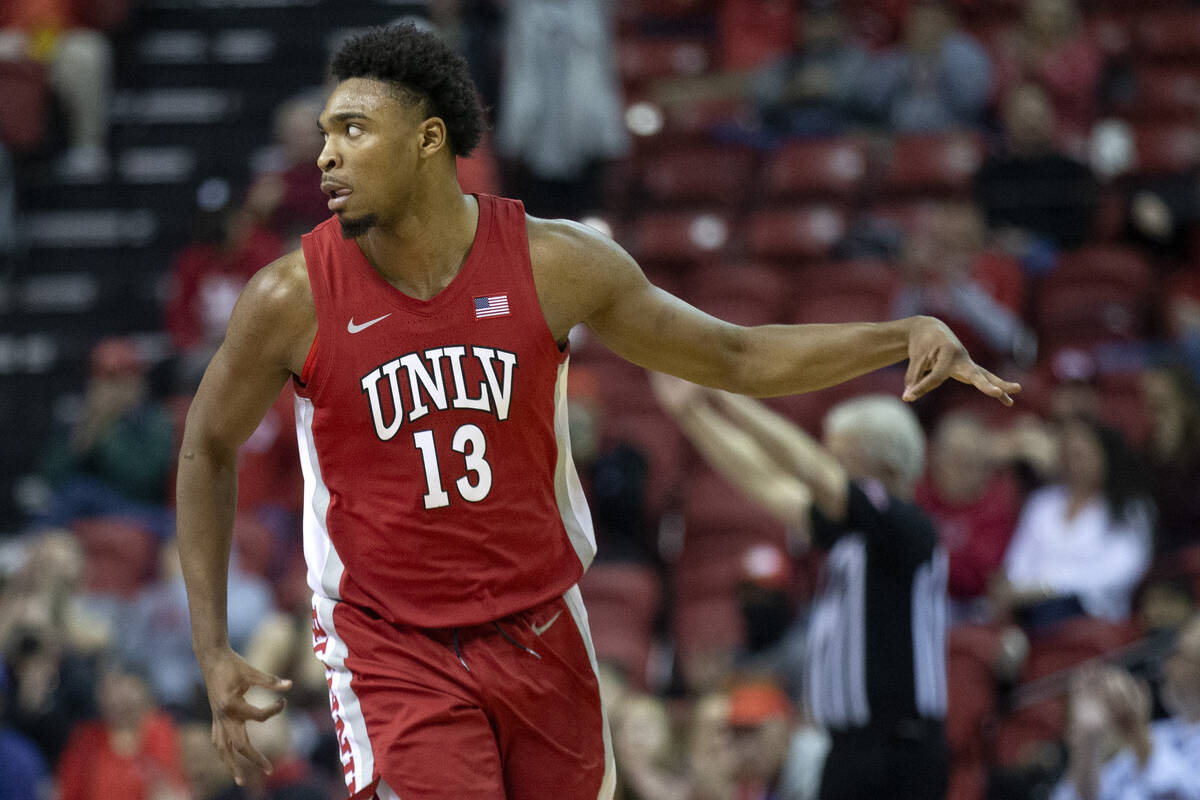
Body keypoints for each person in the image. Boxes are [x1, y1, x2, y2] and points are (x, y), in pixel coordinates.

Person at [176, 23, 1018, 800]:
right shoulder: (292, 296)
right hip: (393, 642)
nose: (324, 155)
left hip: (539, 620)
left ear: (428, 139)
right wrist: (212, 646)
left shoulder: (556, 262)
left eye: (350, 131)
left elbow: (732, 355)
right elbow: (207, 447)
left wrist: (898, 334)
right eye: (324, 134)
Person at [652, 381, 949, 800]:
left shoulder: (908, 529)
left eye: (840, 459)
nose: (827, 468)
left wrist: (726, 395)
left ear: (886, 468)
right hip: (848, 749)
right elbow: (764, 483)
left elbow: (807, 469)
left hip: (900, 753)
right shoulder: (851, 534)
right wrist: (691, 416)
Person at [1051, 615, 1200, 800]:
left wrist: (1138, 735)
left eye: (1180, 656)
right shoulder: (1161, 734)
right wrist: (1088, 743)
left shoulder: (1147, 739)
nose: (1167, 665)